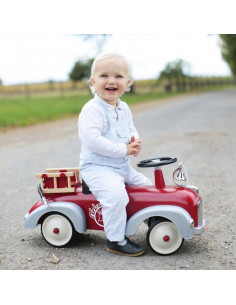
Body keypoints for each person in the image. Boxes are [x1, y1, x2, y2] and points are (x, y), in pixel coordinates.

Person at [78, 52, 152, 256]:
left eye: (118, 76)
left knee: (147, 187)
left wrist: (134, 141)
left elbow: (129, 128)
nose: (111, 81)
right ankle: (116, 239)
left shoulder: (124, 107)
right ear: (93, 81)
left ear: (127, 82)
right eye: (104, 76)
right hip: (97, 168)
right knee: (116, 196)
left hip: (121, 167)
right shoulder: (93, 109)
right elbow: (92, 140)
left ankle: (154, 219)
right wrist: (123, 150)